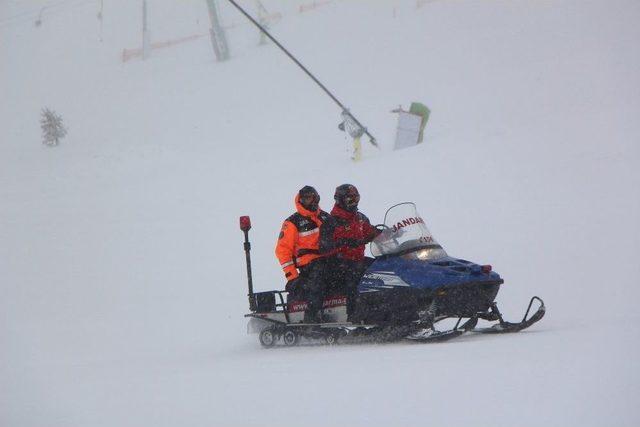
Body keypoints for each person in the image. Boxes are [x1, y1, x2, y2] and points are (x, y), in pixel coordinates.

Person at [275, 186, 333, 323]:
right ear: (300, 201)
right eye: (307, 198)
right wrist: (292, 276)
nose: (311, 201)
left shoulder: (324, 216)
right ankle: (311, 318)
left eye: (313, 197)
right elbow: (282, 250)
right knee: (318, 278)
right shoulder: (292, 223)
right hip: (309, 264)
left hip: (329, 258)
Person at [324, 184, 381, 320]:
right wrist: (344, 242)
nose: (354, 203)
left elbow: (370, 231)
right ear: (340, 200)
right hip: (338, 261)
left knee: (381, 267)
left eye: (356, 199)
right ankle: (354, 313)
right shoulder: (331, 221)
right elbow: (324, 245)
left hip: (357, 259)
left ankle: (384, 307)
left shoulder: (359, 218)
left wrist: (390, 233)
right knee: (354, 273)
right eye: (350, 200)